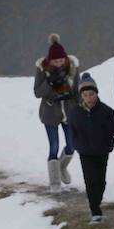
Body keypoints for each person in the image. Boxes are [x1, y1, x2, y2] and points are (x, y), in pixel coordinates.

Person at [69, 73, 114, 224]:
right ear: (81, 96)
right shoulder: (75, 113)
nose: (89, 98)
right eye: (85, 95)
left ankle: (97, 201)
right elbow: (72, 131)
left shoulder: (106, 112)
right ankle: (95, 211)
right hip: (85, 152)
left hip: (102, 151)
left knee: (100, 182)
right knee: (90, 181)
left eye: (91, 94)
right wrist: (76, 144)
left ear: (96, 94)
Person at [33, 33, 80, 192]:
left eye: (61, 60)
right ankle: (54, 182)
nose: (59, 63)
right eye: (55, 61)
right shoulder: (42, 69)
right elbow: (37, 92)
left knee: (72, 145)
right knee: (54, 145)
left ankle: (61, 167)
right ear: (50, 60)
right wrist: (49, 82)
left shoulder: (72, 67)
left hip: (69, 111)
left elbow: (78, 90)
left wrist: (81, 108)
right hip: (50, 112)